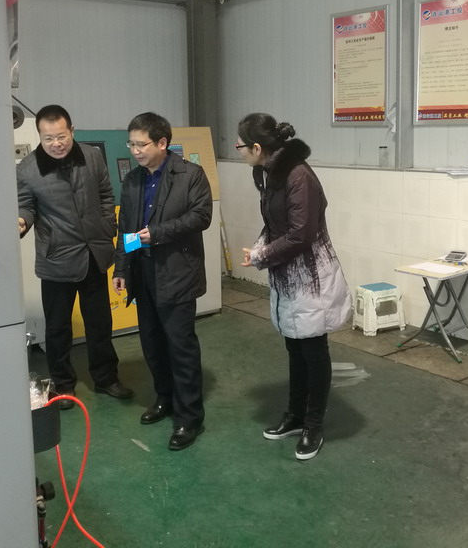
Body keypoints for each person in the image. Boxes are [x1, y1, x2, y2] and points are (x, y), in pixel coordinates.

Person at [237, 113, 351, 461]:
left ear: (258, 147)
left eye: (241, 146)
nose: (238, 150)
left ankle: (313, 425)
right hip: (287, 273)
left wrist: (262, 255)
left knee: (313, 349)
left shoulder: (298, 175)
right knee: (295, 346)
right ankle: (296, 415)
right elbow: (275, 224)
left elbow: (301, 235)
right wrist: (261, 247)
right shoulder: (268, 172)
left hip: (310, 276)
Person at [17, 104, 133, 410]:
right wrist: (22, 220)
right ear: (39, 136)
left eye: (61, 136)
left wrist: (107, 225)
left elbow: (106, 193)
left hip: (94, 254)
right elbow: (26, 205)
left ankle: (106, 378)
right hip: (57, 259)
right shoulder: (28, 169)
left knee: (100, 323)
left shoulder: (91, 156)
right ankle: (62, 385)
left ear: (72, 131)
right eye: (48, 138)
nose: (56, 143)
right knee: (57, 328)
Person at [112, 112, 212, 451]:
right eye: (131, 144)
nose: (135, 151)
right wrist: (121, 269)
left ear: (162, 143)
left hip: (178, 273)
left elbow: (201, 216)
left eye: (141, 144)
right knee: (153, 344)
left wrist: (157, 233)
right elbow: (126, 228)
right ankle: (164, 399)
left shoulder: (190, 175)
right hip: (144, 274)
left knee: (181, 348)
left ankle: (189, 417)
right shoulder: (132, 180)